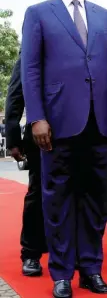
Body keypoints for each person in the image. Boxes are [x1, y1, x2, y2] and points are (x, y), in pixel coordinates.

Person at [21, 0, 107, 298]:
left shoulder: (102, 16)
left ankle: (91, 270)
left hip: (99, 124)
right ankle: (62, 273)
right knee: (58, 202)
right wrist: (37, 117)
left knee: (96, 201)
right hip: (57, 124)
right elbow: (31, 69)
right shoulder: (39, 13)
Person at [5, 57, 47, 277]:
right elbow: (15, 96)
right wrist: (13, 139)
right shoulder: (29, 53)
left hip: (74, 136)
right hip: (39, 137)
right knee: (37, 194)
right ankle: (31, 252)